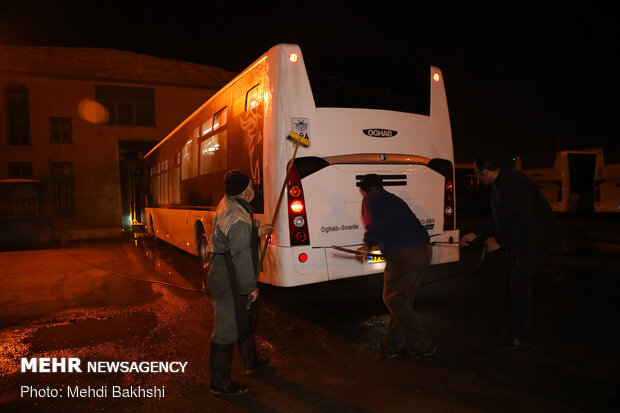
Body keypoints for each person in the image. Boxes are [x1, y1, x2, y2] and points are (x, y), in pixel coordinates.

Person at [460, 153, 556, 350]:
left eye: (477, 173)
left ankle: (521, 336)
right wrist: (475, 234)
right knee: (514, 287)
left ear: (486, 172)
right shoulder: (500, 184)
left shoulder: (513, 184)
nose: (477, 177)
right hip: (523, 242)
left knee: (519, 288)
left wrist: (500, 242)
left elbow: (524, 219)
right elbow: (495, 216)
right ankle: (516, 328)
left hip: (532, 243)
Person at [206, 170, 272, 395]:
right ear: (246, 192)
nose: (254, 189)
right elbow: (241, 256)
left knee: (243, 317)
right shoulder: (239, 217)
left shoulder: (229, 202)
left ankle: (250, 362)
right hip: (228, 274)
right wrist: (249, 288)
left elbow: (232, 232)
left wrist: (258, 230)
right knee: (226, 327)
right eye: (252, 186)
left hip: (223, 268)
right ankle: (220, 383)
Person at [356, 173, 436, 359]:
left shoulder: (370, 199)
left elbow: (374, 225)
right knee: (403, 300)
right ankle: (393, 343)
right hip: (424, 250)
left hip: (404, 254)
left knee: (393, 299)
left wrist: (367, 245)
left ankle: (422, 343)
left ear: (363, 189)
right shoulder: (392, 198)